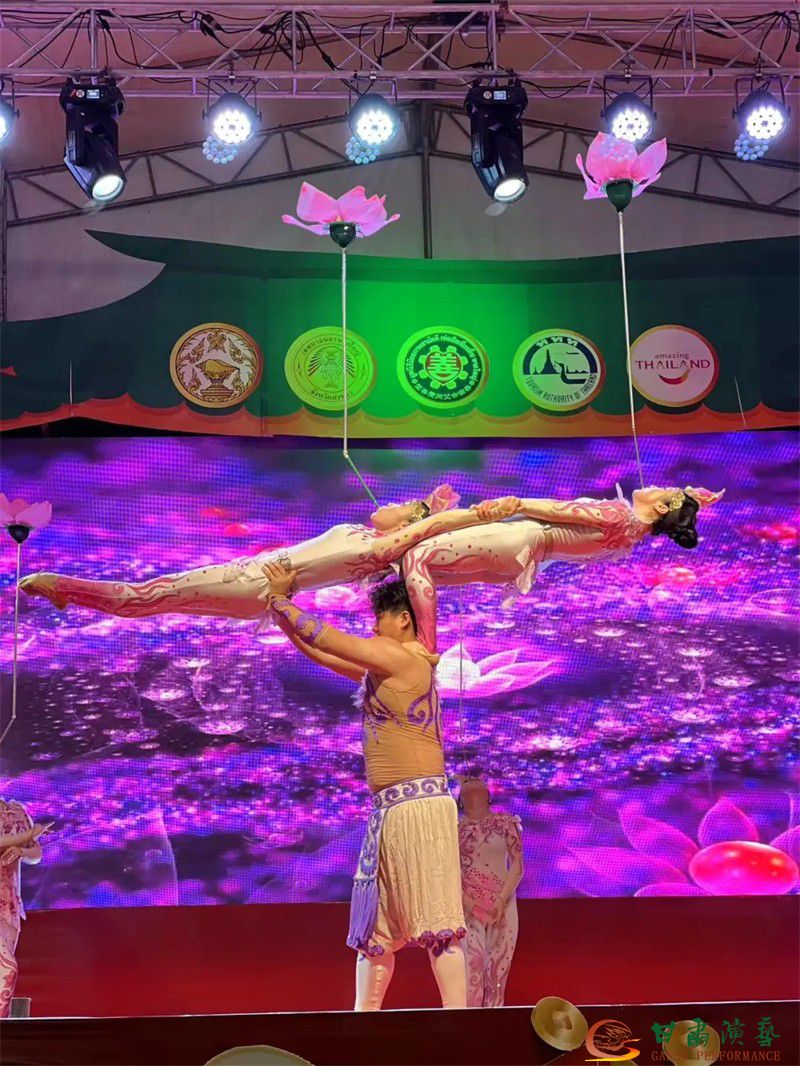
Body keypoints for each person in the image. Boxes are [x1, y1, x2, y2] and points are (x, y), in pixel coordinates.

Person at [263, 562, 466, 1012]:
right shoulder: (389, 668)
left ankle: (461, 1023)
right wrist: (280, 612)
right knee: (375, 932)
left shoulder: (402, 657)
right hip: (393, 809)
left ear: (404, 619)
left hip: (417, 806)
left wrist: (280, 599)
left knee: (439, 922)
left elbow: (332, 640)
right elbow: (322, 654)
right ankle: (364, 1023)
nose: (374, 627)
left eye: (380, 618)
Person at [18, 485, 515, 621]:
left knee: (148, 595)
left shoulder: (381, 549)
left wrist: (470, 514)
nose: (388, 505)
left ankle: (61, 587)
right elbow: (426, 519)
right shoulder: (363, 536)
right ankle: (68, 594)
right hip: (250, 579)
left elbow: (435, 526)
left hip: (254, 584)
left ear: (405, 528)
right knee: (153, 599)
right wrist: (429, 505)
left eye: (400, 506)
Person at [402, 485, 725, 651]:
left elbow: (556, 510)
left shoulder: (617, 515)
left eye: (663, 491)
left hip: (520, 537)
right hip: (523, 563)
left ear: (661, 507)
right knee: (425, 572)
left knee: (417, 557)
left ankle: (425, 645)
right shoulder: (629, 540)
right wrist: (693, 500)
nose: (654, 485)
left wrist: (510, 504)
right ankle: (421, 641)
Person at [457, 776, 523, 1008]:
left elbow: (517, 865)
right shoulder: (454, 830)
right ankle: (468, 1025)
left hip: (503, 905)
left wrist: (501, 900)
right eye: (467, 793)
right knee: (471, 971)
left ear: (488, 796)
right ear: (461, 800)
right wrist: (469, 903)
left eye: (478, 790)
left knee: (497, 974)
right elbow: (449, 871)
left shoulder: (505, 823)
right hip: (468, 908)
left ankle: (492, 1023)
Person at [0, 801, 47, 1018]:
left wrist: (22, 850)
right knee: (6, 968)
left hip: (8, 903)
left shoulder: (15, 811)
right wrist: (29, 834)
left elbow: (36, 853)